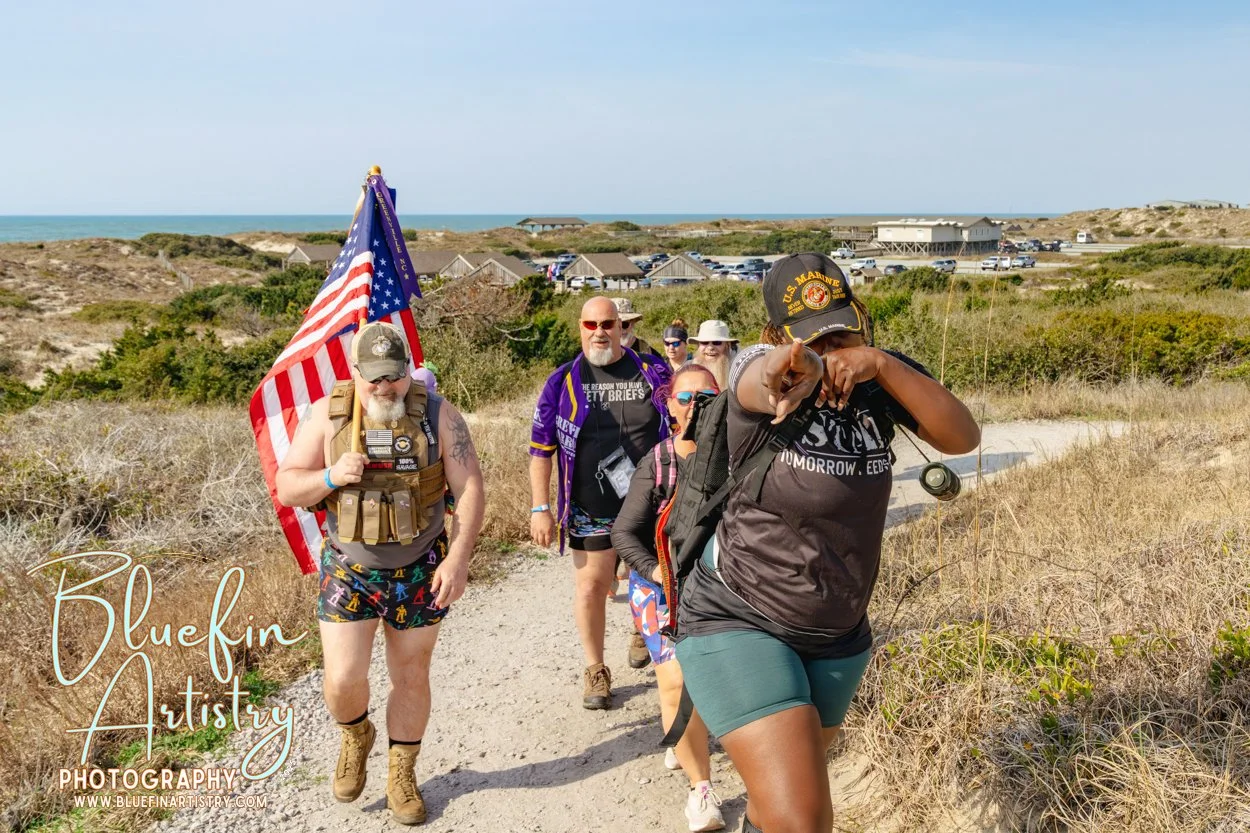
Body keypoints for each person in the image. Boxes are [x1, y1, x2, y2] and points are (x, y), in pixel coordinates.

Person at [673, 253, 980, 833]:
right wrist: (789, 368)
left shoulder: (877, 380)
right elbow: (753, 378)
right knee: (804, 820)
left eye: (841, 328)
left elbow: (962, 436)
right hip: (739, 617)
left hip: (837, 632)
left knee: (776, 810)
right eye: (813, 337)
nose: (831, 345)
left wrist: (884, 365)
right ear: (778, 336)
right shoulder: (763, 373)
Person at [276, 321, 486, 826]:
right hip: (350, 568)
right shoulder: (328, 417)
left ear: (408, 370)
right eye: (373, 378)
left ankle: (401, 773)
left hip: (420, 569)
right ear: (354, 373)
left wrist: (457, 560)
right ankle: (355, 734)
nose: (384, 387)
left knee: (410, 675)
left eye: (393, 376)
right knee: (343, 679)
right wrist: (331, 475)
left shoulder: (440, 416)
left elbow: (472, 487)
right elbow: (288, 487)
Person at [529, 296, 672, 709]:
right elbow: (541, 448)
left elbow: (683, 419)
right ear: (580, 327)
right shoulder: (562, 381)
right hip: (591, 508)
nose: (599, 332)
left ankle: (644, 631)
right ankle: (595, 669)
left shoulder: (653, 371)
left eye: (607, 323)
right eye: (590, 324)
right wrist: (541, 507)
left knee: (652, 578)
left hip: (652, 504)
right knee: (592, 587)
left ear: (621, 326)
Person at [611, 364, 726, 832]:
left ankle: (688, 742)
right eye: (685, 398)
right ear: (669, 404)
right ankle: (702, 790)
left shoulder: (742, 455)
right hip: (663, 590)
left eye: (707, 398)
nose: (695, 406)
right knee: (676, 684)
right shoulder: (659, 462)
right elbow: (624, 531)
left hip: (725, 587)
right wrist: (656, 571)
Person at [687, 319, 739, 391]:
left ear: (727, 345)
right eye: (704, 342)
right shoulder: (687, 368)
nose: (710, 347)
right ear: (698, 345)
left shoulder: (737, 372)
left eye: (717, 342)